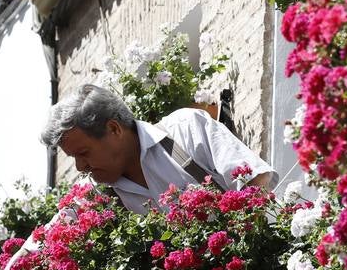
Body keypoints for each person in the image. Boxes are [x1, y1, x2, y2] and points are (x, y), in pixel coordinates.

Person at [39, 84, 274, 213]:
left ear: (114, 129)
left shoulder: (185, 129)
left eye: (83, 153)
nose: (80, 167)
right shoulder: (97, 194)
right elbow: (44, 242)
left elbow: (256, 179)